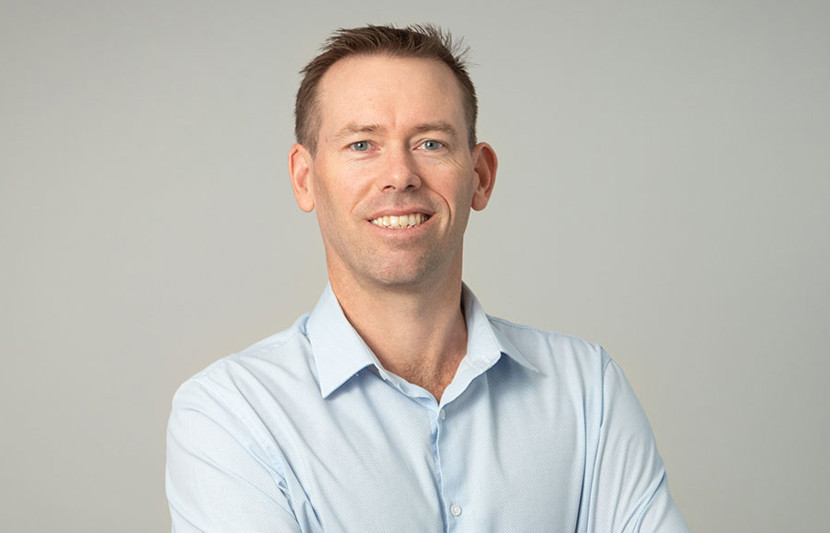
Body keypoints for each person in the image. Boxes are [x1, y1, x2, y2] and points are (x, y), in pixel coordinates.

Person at [165, 24, 690, 532]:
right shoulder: (231, 414)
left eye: (431, 143)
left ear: (480, 177)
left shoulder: (587, 390)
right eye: (362, 144)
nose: (400, 175)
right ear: (306, 180)